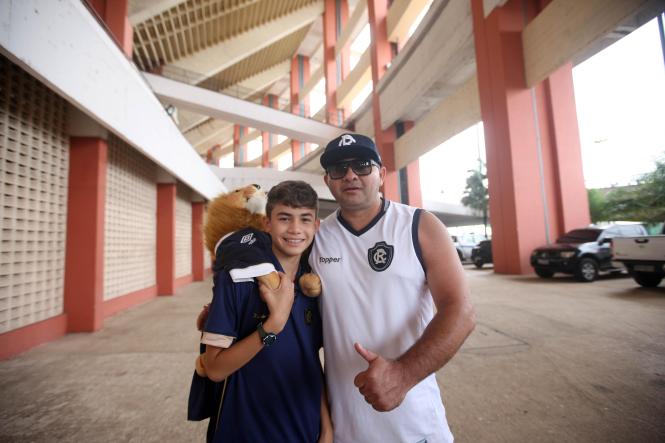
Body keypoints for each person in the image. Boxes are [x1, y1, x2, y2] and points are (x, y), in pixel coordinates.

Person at [309, 133, 476, 443]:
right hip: (346, 430)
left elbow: (461, 311)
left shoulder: (420, 225)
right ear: (328, 181)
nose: (350, 175)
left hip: (416, 428)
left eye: (361, 165)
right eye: (338, 169)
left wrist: (404, 374)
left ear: (381, 175)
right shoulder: (316, 238)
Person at [197, 181, 332, 443]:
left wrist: (326, 427)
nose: (295, 229)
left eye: (305, 219)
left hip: (303, 429)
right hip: (244, 430)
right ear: (266, 224)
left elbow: (310, 359)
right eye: (284, 218)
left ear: (316, 226)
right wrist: (273, 326)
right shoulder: (236, 279)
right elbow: (214, 369)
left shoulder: (312, 285)